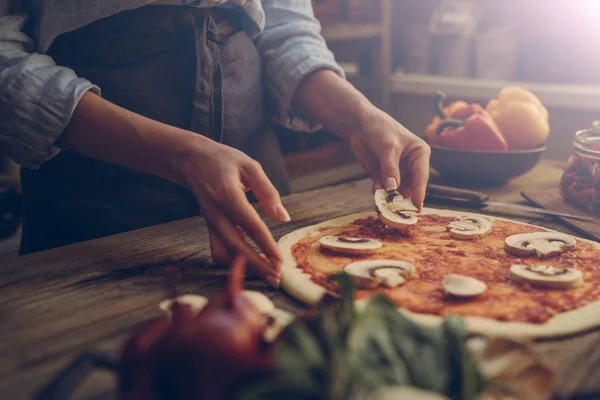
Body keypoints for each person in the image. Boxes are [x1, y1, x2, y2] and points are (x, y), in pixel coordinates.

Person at [0, 0, 430, 287]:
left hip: (254, 171)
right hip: (98, 197)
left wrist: (359, 116)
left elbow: (284, 26)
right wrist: (181, 155)